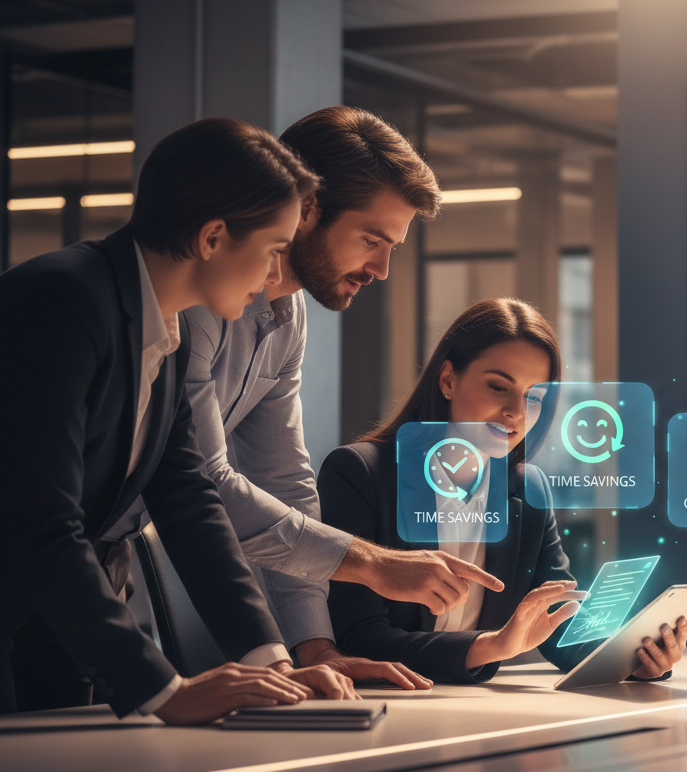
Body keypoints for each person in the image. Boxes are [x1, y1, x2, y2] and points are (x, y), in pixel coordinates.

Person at [104, 106, 502, 690]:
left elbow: (282, 479)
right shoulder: (199, 300)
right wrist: (370, 563)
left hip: (102, 557)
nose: (383, 269)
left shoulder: (288, 317)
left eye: (392, 245)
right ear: (307, 209)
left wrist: (315, 647)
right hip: (52, 545)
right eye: (371, 239)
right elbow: (203, 480)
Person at [0, 118, 354, 723]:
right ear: (213, 237)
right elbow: (41, 519)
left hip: (61, 610)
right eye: (273, 250)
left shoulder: (169, 330)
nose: (276, 277)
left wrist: (273, 664)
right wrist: (169, 690)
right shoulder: (59, 301)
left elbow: (187, 496)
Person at [319, 298, 687, 684]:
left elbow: (558, 624)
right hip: (381, 708)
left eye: (535, 397)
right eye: (499, 386)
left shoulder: (529, 489)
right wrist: (491, 646)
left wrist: (638, 656)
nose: (516, 411)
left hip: (469, 712)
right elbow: (355, 641)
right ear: (448, 380)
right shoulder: (360, 473)